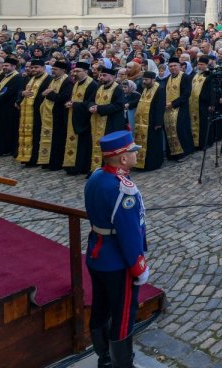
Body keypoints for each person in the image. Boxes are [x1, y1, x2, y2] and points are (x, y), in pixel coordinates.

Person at [84, 131, 150, 368]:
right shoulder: (123, 190)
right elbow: (129, 234)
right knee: (123, 316)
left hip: (96, 254)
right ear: (122, 158)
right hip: (117, 261)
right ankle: (121, 364)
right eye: (132, 151)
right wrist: (138, 267)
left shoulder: (96, 177)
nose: (135, 154)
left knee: (100, 308)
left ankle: (104, 358)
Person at [130, 70, 167, 171]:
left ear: (153, 79)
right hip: (142, 122)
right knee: (142, 143)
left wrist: (158, 122)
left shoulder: (160, 89)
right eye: (143, 79)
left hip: (153, 122)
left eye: (146, 79)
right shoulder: (145, 88)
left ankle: (153, 164)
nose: (144, 81)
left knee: (152, 145)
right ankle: (141, 164)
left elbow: (160, 107)